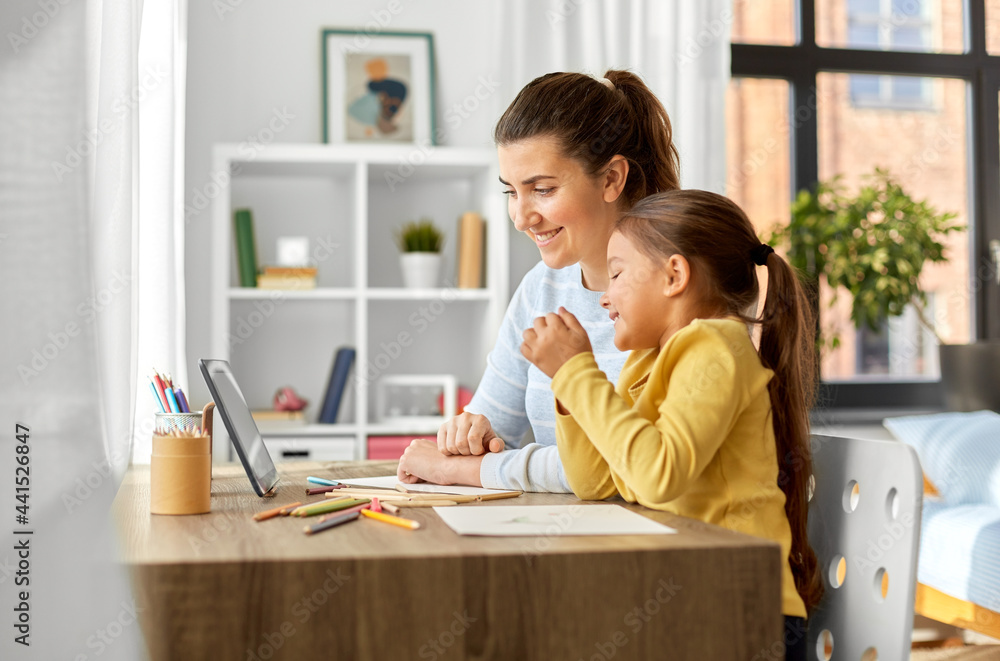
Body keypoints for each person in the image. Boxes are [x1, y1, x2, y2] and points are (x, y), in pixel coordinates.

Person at [519, 190, 822, 660]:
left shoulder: (716, 346)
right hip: (687, 595)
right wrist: (567, 389)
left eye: (617, 273)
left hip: (741, 606)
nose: (604, 296)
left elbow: (658, 475)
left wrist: (576, 373)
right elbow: (594, 481)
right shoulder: (647, 360)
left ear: (674, 275)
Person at [396, 69, 680, 491]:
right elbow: (493, 427)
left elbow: (626, 466)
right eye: (511, 191)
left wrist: (457, 471)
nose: (521, 217)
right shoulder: (543, 287)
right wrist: (471, 437)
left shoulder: (677, 289)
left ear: (611, 179)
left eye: (542, 189)